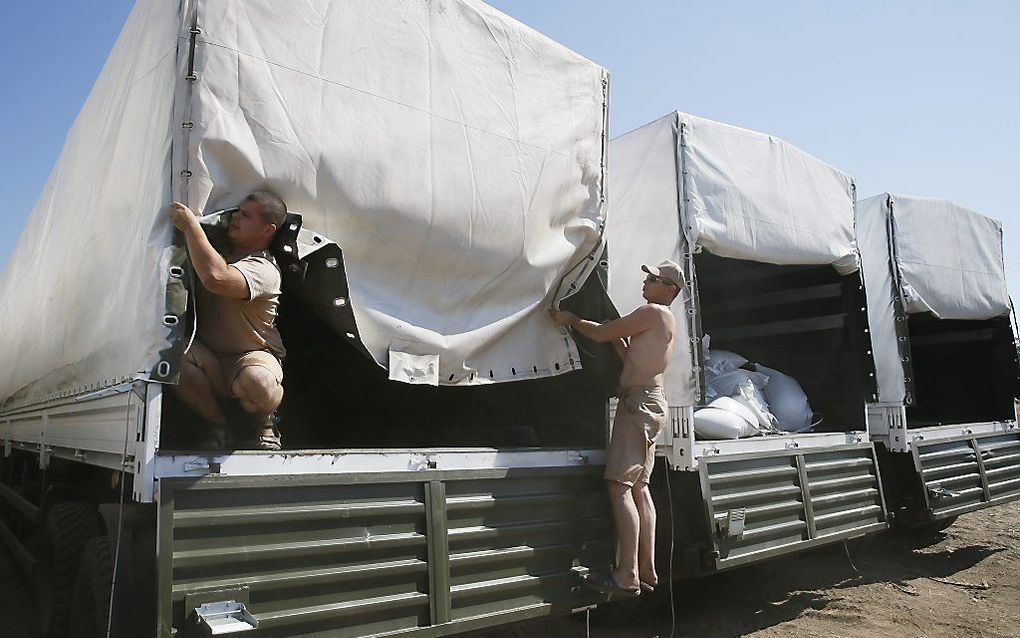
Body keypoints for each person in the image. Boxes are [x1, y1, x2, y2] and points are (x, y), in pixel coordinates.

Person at [550, 259, 682, 597]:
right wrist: (617, 342)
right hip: (649, 402)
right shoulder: (663, 321)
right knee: (639, 488)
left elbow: (601, 332)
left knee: (618, 486)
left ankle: (628, 574)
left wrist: (571, 319)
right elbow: (633, 358)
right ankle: (647, 569)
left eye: (653, 279)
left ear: (669, 288)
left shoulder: (652, 312)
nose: (645, 283)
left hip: (638, 405)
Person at [167, 191, 288, 451]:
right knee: (171, 356)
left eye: (246, 215)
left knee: (258, 382)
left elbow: (216, 278)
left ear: (267, 230)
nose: (235, 217)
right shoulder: (219, 252)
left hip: (250, 357)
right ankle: (219, 425)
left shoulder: (264, 268)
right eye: (237, 210)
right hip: (211, 359)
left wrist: (190, 226)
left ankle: (265, 423)